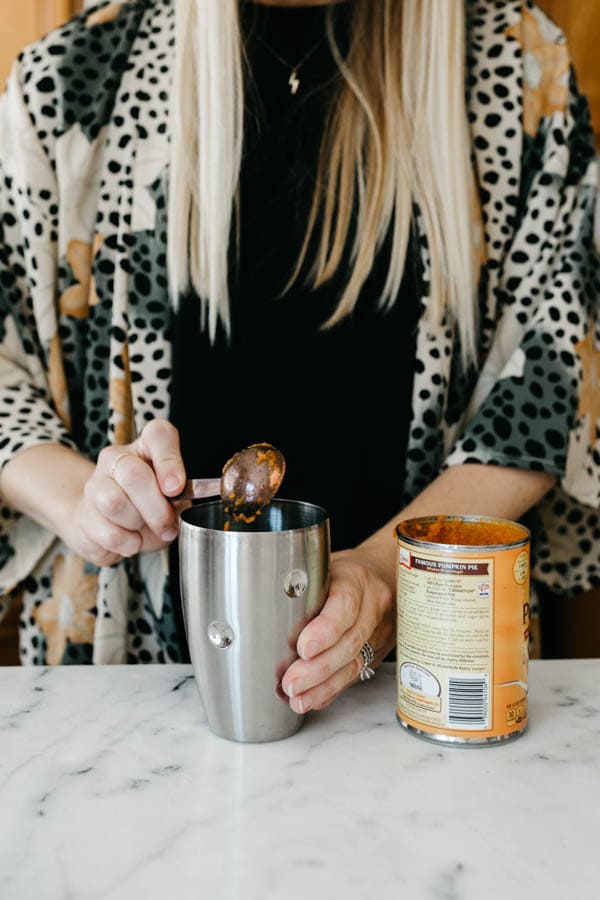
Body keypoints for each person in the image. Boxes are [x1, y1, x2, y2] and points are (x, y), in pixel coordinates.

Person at [0, 0, 597, 714]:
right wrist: (86, 501)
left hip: (434, 676)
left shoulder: (519, 66)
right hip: (133, 693)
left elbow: (558, 374)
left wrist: (386, 575)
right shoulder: (71, 80)